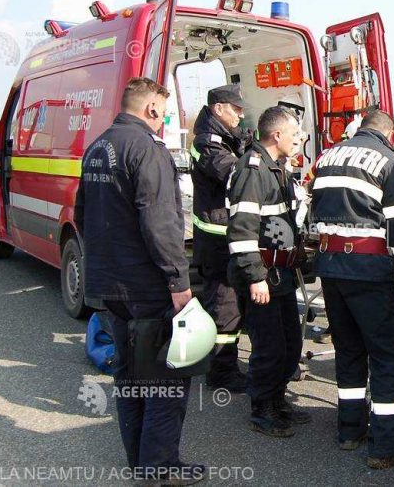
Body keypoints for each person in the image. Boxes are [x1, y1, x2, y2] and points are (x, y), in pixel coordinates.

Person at [74, 77, 206, 483]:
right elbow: (161, 223)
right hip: (147, 288)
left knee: (129, 378)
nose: (164, 119)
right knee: (166, 381)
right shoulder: (147, 150)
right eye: (163, 111)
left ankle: (140, 462)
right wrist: (178, 282)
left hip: (108, 285)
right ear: (151, 109)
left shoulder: (98, 147)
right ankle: (160, 467)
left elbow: (81, 216)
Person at [309, 109, 394, 469]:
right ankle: (386, 445)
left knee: (348, 349)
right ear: (389, 132)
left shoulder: (328, 155)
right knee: (388, 355)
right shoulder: (389, 162)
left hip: (330, 266)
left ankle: (349, 430)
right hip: (368, 269)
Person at [226, 106, 310, 438]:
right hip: (262, 274)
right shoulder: (253, 170)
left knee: (290, 341)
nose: (298, 139)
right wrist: (256, 277)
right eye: (294, 133)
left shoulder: (277, 169)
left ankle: (277, 400)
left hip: (280, 273)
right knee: (269, 346)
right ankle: (262, 408)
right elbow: (242, 231)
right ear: (277, 135)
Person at [190, 84, 249, 393]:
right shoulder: (206, 142)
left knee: (232, 306)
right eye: (235, 109)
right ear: (218, 109)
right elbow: (233, 174)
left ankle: (227, 366)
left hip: (227, 235)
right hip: (216, 239)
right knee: (224, 307)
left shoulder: (228, 138)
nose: (241, 113)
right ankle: (220, 372)